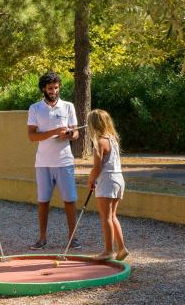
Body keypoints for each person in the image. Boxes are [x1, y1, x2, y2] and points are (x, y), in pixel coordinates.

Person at [27, 72, 81, 250]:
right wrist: (54, 132)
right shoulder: (35, 108)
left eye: (56, 88)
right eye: (50, 88)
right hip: (43, 162)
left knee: (69, 200)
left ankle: (72, 238)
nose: (54, 91)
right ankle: (42, 238)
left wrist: (69, 134)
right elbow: (32, 136)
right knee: (43, 201)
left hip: (64, 161)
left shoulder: (68, 106)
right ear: (44, 88)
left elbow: (76, 133)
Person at [87, 109, 129, 261]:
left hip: (107, 180)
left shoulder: (99, 143)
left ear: (93, 125)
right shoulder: (112, 139)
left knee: (106, 217)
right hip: (118, 179)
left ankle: (108, 251)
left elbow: (97, 168)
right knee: (112, 216)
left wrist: (91, 179)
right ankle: (122, 248)